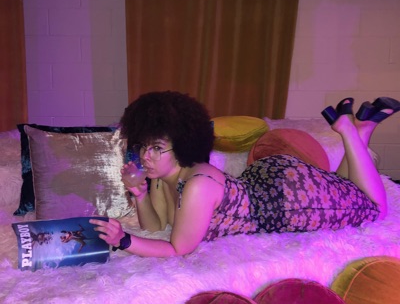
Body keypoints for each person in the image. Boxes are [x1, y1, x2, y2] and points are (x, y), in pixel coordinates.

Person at [90, 92, 399, 258]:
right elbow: (157, 227)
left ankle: (347, 129)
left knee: (374, 208)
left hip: (286, 201)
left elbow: (177, 248)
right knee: (343, 187)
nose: (146, 156)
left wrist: (124, 241)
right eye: (144, 146)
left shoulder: (198, 185)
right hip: (265, 180)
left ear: (183, 142)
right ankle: (364, 128)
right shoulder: (160, 176)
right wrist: (140, 192)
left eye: (157, 148)